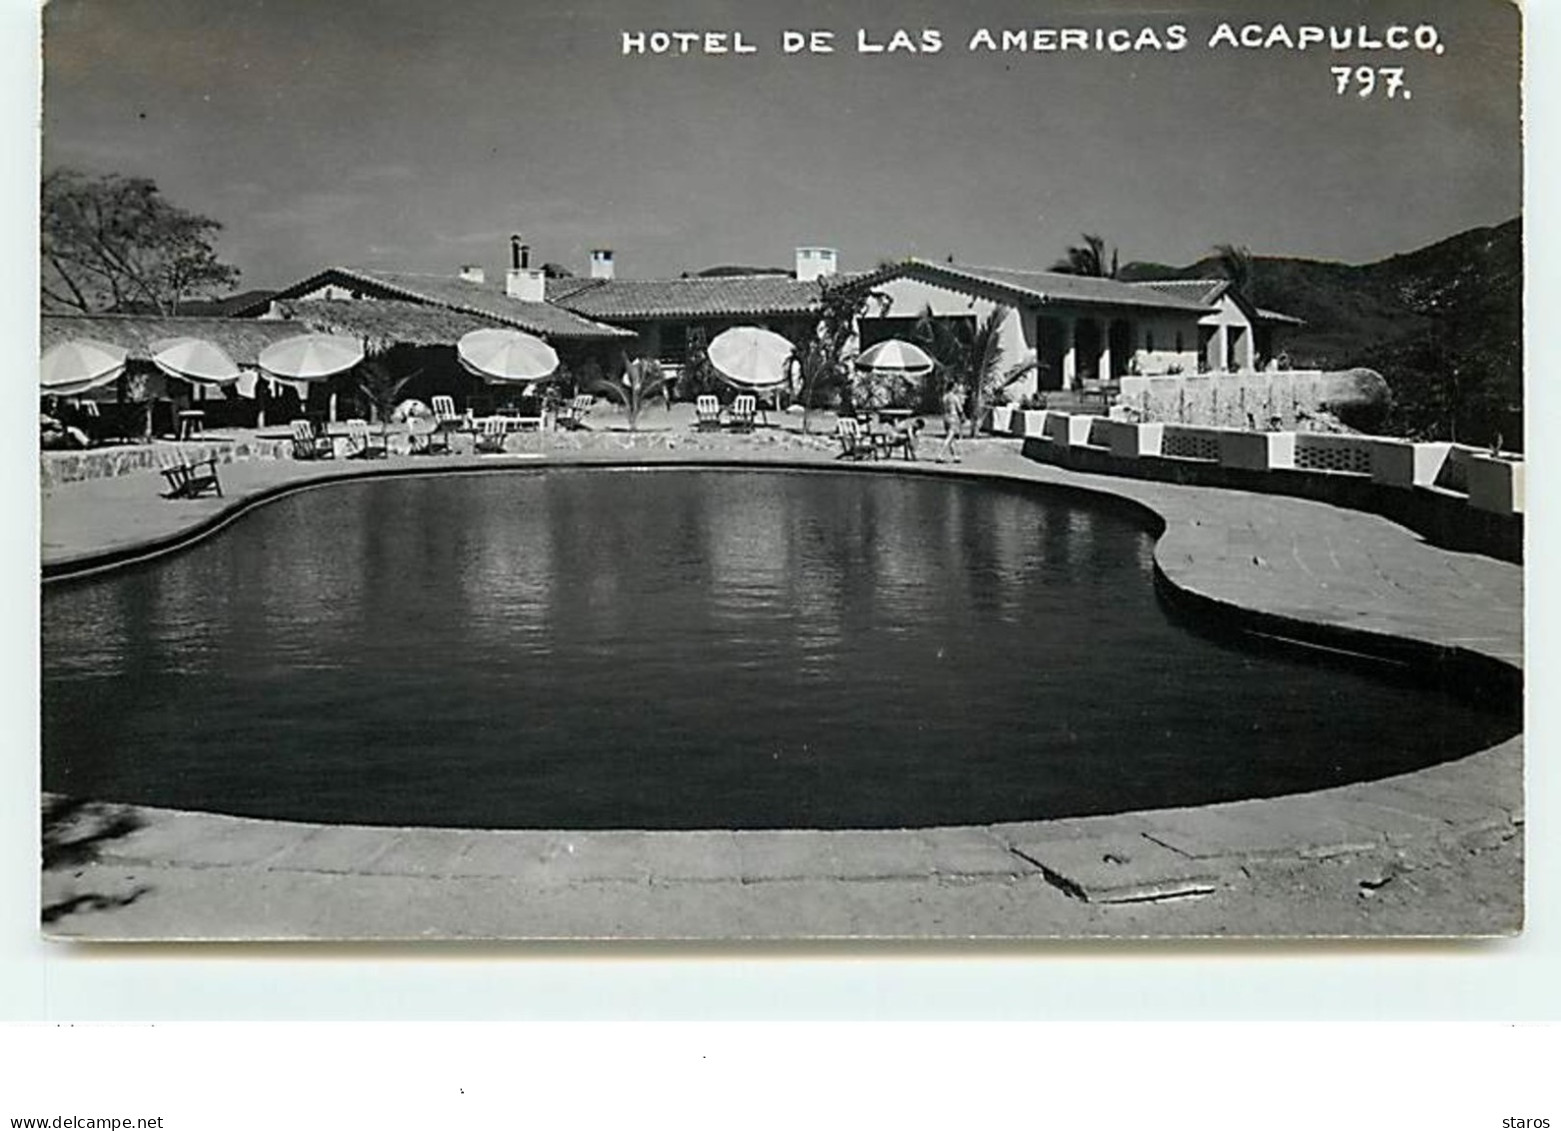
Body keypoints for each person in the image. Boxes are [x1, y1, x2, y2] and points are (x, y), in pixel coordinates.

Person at [937, 384, 965, 463]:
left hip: (946, 417)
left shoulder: (944, 397)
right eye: (955, 387)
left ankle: (955, 456)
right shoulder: (954, 397)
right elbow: (959, 409)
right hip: (953, 417)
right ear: (952, 388)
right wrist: (962, 417)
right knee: (949, 437)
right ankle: (940, 454)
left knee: (951, 438)